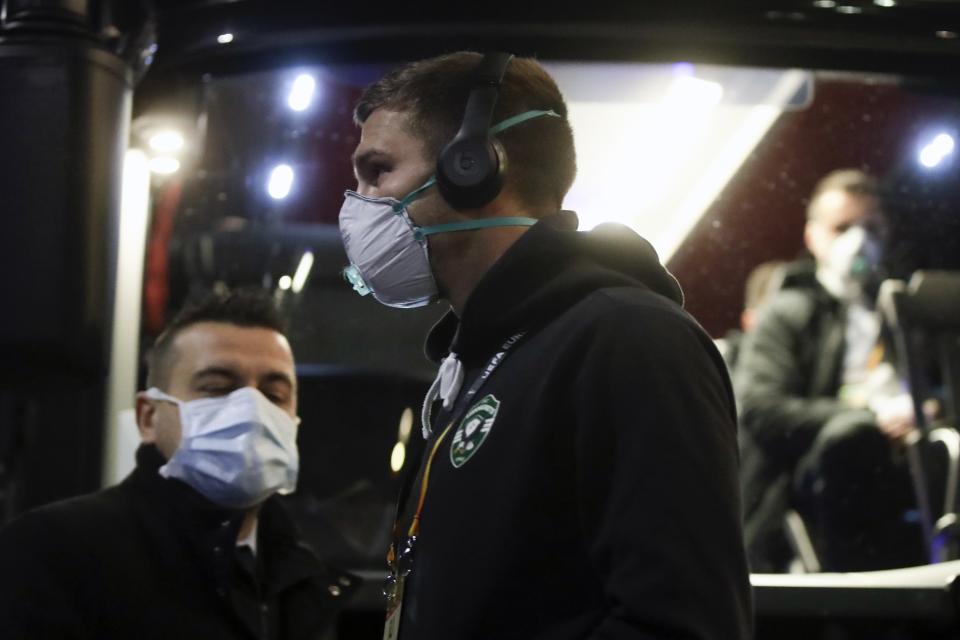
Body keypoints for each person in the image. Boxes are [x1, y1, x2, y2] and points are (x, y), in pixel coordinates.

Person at [338, 51, 751, 639]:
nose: (356, 203)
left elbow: (679, 624)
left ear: (472, 165)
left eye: (377, 171)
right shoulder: (478, 361)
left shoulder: (629, 338)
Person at [0, 289, 356, 639]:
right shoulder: (53, 552)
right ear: (149, 417)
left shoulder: (303, 576)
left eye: (274, 395)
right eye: (217, 387)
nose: (252, 410)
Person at [736, 169, 925, 572]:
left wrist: (928, 411)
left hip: (908, 460)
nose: (858, 240)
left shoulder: (902, 312)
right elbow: (760, 407)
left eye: (871, 227)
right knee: (852, 438)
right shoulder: (786, 313)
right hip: (820, 476)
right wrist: (871, 419)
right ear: (813, 236)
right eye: (842, 227)